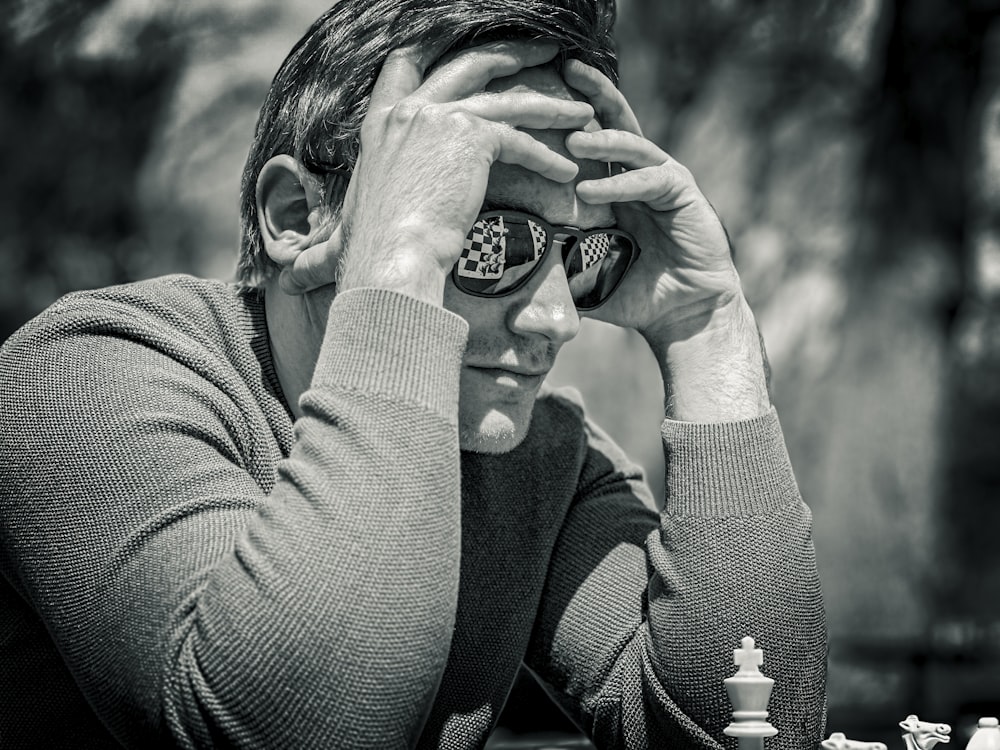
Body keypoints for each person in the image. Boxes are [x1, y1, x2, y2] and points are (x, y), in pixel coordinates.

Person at [0, 0, 827, 748]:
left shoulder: (541, 459)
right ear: (299, 217)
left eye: (583, 256)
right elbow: (295, 731)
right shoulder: (77, 380)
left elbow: (735, 729)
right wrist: (401, 265)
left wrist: (709, 332)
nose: (558, 320)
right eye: (484, 236)